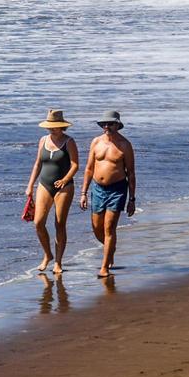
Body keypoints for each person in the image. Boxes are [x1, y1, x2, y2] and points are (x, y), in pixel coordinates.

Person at [79, 111, 135, 279]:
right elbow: (89, 169)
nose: (106, 126)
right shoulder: (96, 142)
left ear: (117, 125)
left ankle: (104, 268)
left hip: (117, 190)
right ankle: (110, 248)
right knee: (97, 228)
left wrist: (132, 199)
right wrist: (83, 193)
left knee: (109, 228)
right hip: (97, 189)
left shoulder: (125, 145)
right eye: (104, 124)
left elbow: (131, 173)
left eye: (110, 124)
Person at [24, 109, 79, 274]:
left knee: (59, 224)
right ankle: (47, 255)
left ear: (62, 126)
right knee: (38, 222)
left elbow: (75, 165)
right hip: (44, 184)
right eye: (50, 126)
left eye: (55, 126)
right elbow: (37, 164)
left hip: (64, 187)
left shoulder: (69, 142)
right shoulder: (43, 140)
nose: (51, 129)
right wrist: (30, 185)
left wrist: (64, 180)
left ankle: (58, 262)